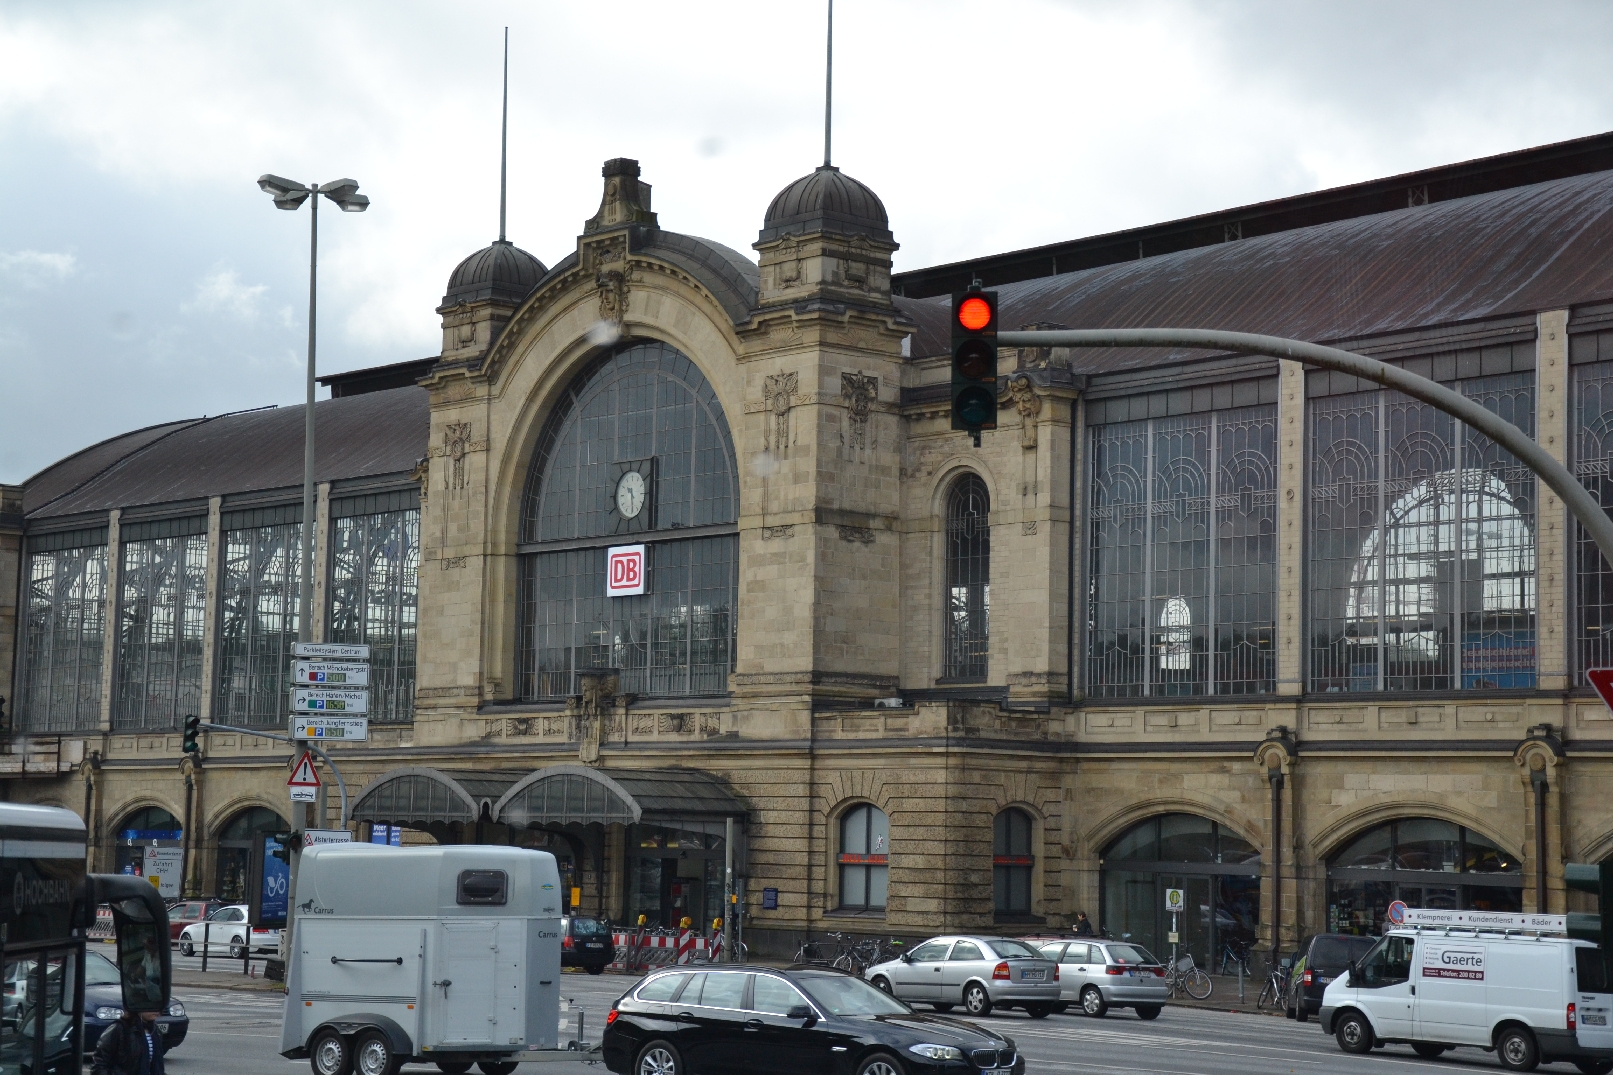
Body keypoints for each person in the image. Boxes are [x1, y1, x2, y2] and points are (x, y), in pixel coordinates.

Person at [92, 1009, 166, 1075]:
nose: (155, 1009)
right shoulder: (120, 1028)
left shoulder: (155, 1030)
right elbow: (100, 1062)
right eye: (150, 1005)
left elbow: (155, 1065)